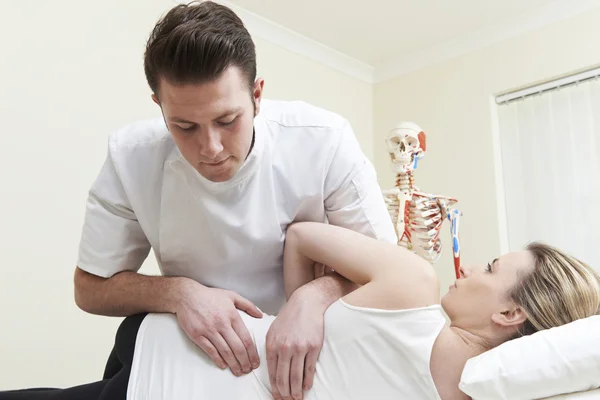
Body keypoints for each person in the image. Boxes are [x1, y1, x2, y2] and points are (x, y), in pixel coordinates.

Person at [0, 1, 398, 399]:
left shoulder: (324, 141)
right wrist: (179, 293)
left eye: (228, 121)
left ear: (257, 95)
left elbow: (392, 274)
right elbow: (89, 288)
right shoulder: (131, 155)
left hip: (289, 363)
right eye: (184, 126)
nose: (210, 148)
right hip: (178, 348)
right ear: (159, 106)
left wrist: (316, 296)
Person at [3, 222, 599, 400]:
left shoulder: (413, 285)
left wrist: (299, 303)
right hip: (181, 359)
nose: (472, 271)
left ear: (510, 315)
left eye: (492, 271)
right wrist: (303, 306)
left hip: (174, 361)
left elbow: (302, 238)